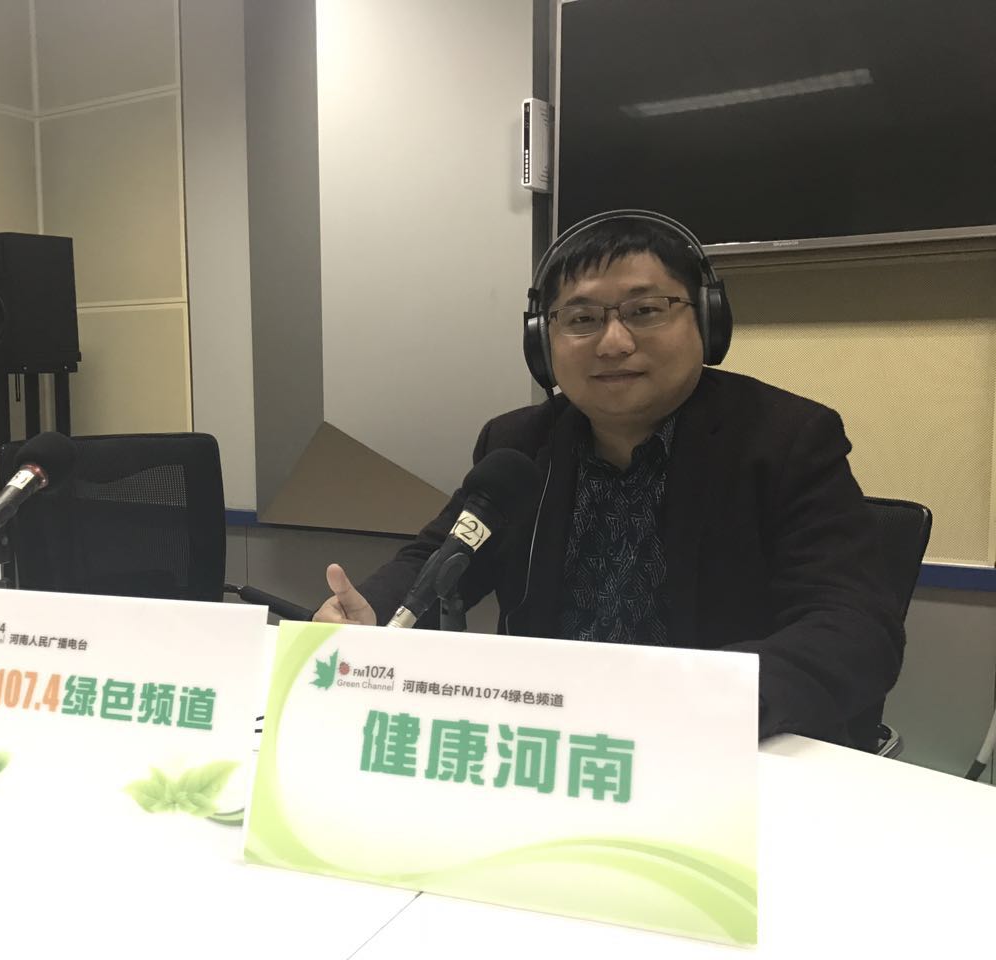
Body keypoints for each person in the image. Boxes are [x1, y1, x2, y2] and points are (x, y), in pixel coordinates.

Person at [313, 210, 903, 751]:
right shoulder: (518, 443)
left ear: (706, 321)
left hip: (720, 752)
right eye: (582, 320)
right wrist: (370, 614)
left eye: (645, 311)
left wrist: (714, 698)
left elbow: (853, 626)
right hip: (552, 746)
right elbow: (441, 558)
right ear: (542, 344)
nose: (614, 343)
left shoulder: (784, 439)